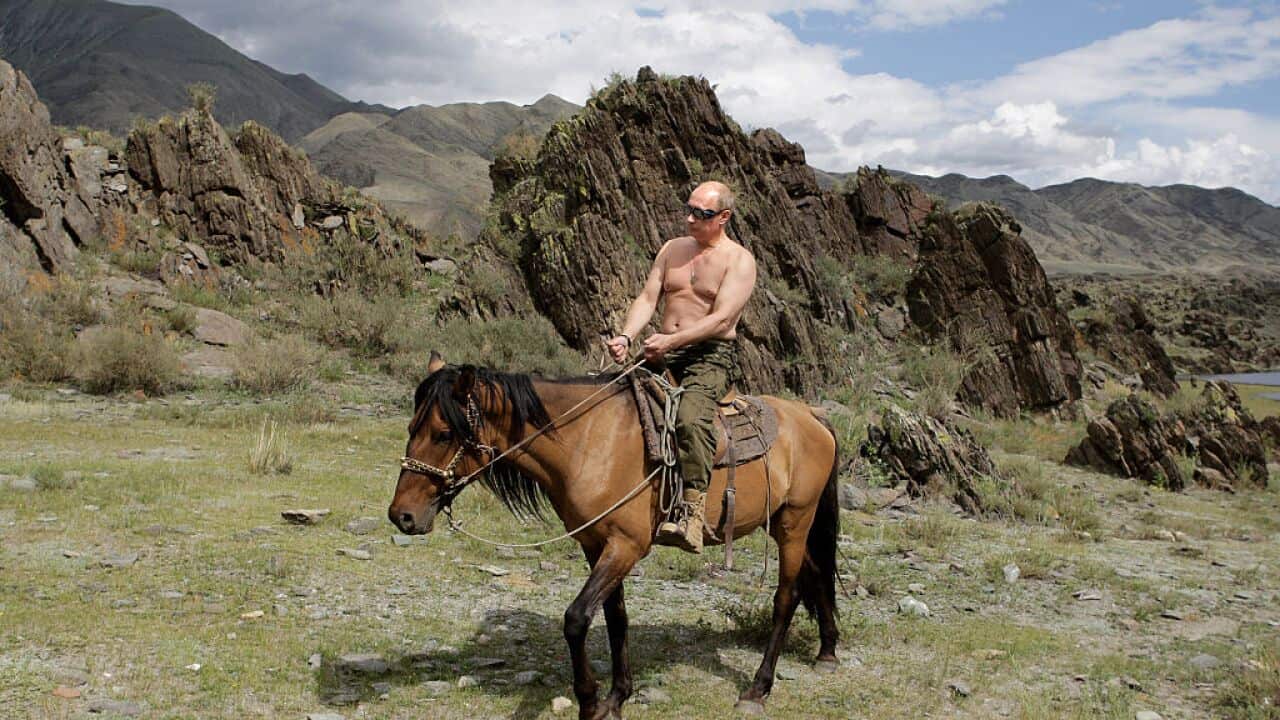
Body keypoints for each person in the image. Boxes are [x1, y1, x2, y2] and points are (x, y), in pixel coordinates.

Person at [605, 181, 758, 553]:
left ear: (723, 217)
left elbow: (722, 320)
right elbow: (648, 298)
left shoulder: (739, 261)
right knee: (610, 397)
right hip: (664, 350)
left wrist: (671, 341)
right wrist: (627, 335)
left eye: (701, 214)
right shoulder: (672, 249)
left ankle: (693, 513)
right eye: (688, 209)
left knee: (691, 418)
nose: (690, 219)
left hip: (710, 355)